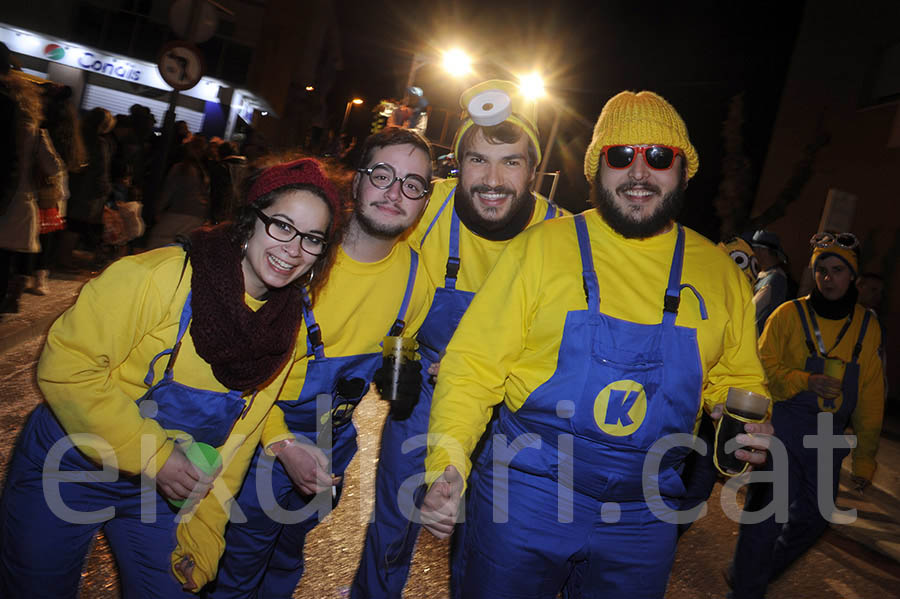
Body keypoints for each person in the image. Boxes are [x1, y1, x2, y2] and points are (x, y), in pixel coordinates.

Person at [419, 90, 774, 599]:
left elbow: (737, 376)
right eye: (619, 155)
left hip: (645, 513)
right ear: (597, 169)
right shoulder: (541, 249)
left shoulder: (721, 275)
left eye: (657, 156)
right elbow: (473, 366)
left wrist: (746, 416)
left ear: (682, 171)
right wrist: (447, 463)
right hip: (527, 494)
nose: (638, 171)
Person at [0, 157, 345, 598]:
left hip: (163, 492)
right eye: (281, 225)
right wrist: (157, 458)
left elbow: (234, 446)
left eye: (312, 238)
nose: (294, 248)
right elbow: (67, 369)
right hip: (70, 464)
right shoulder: (158, 278)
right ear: (249, 220)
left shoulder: (286, 334)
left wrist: (202, 542)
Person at [352, 80, 568, 599]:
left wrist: (487, 362)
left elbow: (570, 346)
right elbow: (371, 273)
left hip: (511, 409)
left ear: (535, 170)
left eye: (511, 162)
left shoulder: (563, 238)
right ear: (457, 163)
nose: (493, 180)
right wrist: (392, 355)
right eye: (478, 160)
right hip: (424, 401)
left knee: (490, 542)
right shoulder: (425, 211)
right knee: (394, 519)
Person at [206, 127, 435, 598]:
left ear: (425, 201)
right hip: (259, 442)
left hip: (331, 447)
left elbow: (395, 355)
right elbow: (234, 372)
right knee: (232, 570)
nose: (396, 193)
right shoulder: (300, 256)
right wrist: (282, 445)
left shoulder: (418, 278)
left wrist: (412, 372)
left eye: (413, 185)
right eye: (383, 175)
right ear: (356, 181)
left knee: (285, 561)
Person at [728, 232, 884, 599]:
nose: (828, 278)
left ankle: (751, 573)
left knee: (814, 519)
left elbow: (872, 396)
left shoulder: (868, 326)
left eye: (837, 270)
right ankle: (747, 588)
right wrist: (804, 380)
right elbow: (760, 368)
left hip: (829, 441)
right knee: (763, 520)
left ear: (852, 277)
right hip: (782, 431)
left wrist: (865, 461)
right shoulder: (787, 315)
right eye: (821, 271)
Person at [0, 64, 53, 312]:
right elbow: (54, 166)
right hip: (20, 202)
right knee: (8, 257)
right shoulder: (35, 133)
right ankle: (7, 300)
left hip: (9, 197)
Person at [750, 229, 791, 333]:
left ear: (763, 251)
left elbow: (752, 310)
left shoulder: (774, 279)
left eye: (756, 249)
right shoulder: (762, 275)